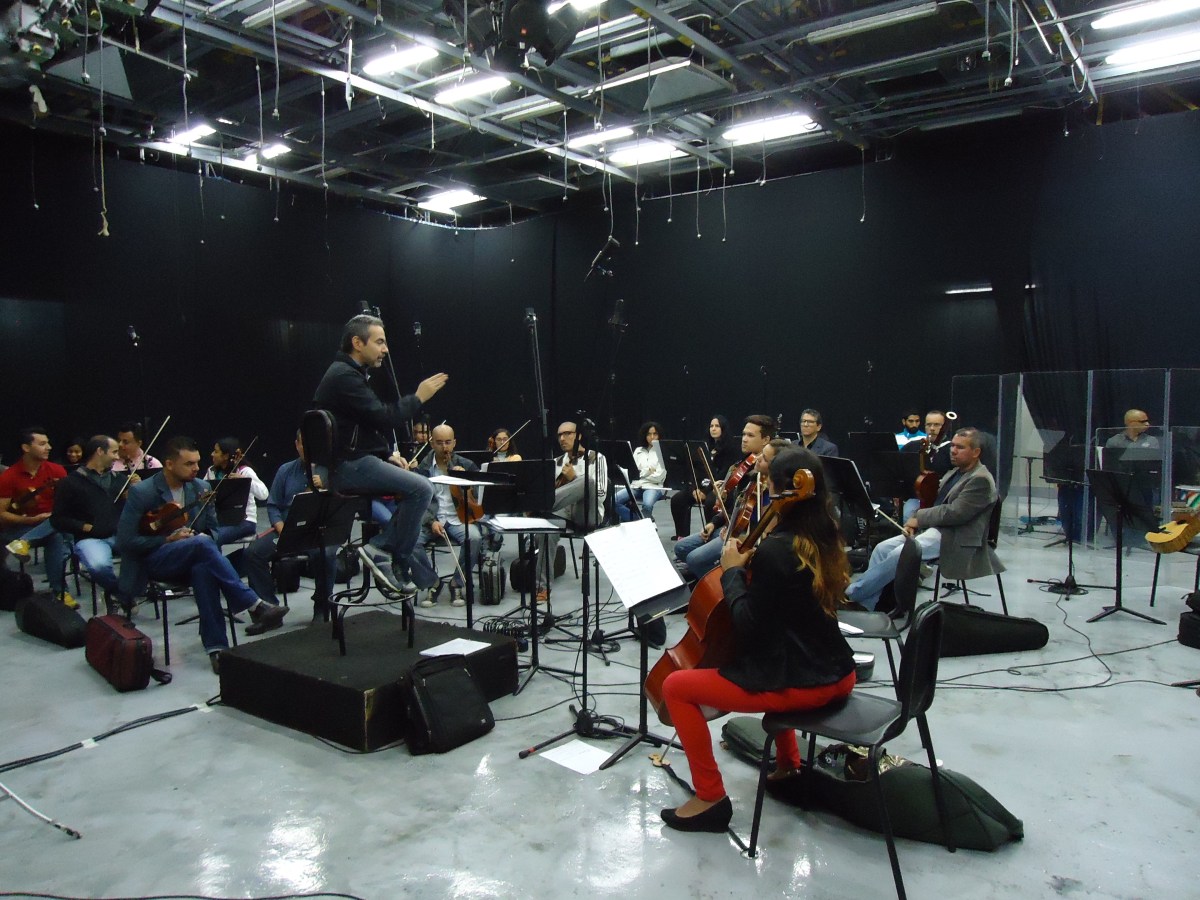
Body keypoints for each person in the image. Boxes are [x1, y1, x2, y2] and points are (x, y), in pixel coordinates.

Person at [659, 447, 856, 833]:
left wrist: (732, 572)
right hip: (839, 671)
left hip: (804, 683)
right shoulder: (825, 536)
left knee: (676, 687)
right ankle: (788, 767)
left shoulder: (776, 551)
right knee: (769, 662)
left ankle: (710, 798)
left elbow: (749, 623)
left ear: (782, 490)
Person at [116, 436, 288, 673]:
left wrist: (197, 537)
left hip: (193, 558)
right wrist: (168, 539)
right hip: (155, 560)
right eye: (189, 464)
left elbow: (214, 531)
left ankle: (217, 649)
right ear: (169, 464)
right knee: (202, 546)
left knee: (203, 568)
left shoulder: (202, 488)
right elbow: (125, 541)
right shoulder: (142, 492)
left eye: (197, 462)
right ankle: (253, 604)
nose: (197, 468)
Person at [312, 314, 448, 594]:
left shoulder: (348, 374)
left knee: (415, 488)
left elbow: (362, 426)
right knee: (422, 489)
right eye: (380, 342)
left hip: (350, 461)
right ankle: (385, 551)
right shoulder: (344, 377)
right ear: (357, 343)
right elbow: (385, 417)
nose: (385, 349)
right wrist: (419, 397)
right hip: (346, 467)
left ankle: (392, 557)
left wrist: (386, 455)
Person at [846, 427, 1002, 610]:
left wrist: (918, 519)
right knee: (882, 548)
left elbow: (955, 513)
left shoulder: (980, 479)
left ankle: (852, 594)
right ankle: (868, 605)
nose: (953, 450)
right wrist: (915, 520)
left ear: (976, 452)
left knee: (901, 554)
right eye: (952, 445)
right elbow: (933, 503)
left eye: (960, 447)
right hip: (938, 530)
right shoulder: (955, 472)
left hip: (957, 536)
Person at [241, 431, 339, 623]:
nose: (308, 449)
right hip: (287, 529)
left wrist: (326, 488)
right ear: (297, 445)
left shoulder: (331, 470)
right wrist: (281, 528)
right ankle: (269, 610)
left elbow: (339, 503)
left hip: (317, 530)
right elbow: (273, 505)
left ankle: (322, 606)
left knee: (326, 554)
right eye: (303, 444)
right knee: (253, 553)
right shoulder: (285, 470)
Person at [674, 415, 775, 580]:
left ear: (766, 440)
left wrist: (734, 533)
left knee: (693, 559)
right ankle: (712, 570)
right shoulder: (743, 465)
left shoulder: (767, 475)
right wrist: (714, 523)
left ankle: (722, 582)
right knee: (680, 547)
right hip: (728, 527)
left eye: (750, 435)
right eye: (743, 434)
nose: (744, 439)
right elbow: (734, 506)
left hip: (741, 535)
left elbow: (760, 524)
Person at [410, 424, 490, 608]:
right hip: (432, 519)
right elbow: (417, 501)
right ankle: (432, 582)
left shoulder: (466, 464)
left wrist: (466, 481)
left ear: (454, 443)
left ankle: (457, 583)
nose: (444, 447)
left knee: (475, 538)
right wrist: (431, 521)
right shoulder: (422, 468)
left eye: (448, 442)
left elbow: (480, 497)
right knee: (411, 542)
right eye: (439, 443)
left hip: (458, 518)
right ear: (432, 443)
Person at [50, 435, 132, 614]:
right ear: (100, 451)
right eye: (114, 452)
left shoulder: (121, 480)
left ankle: (124, 592)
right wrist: (86, 527)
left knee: (147, 551)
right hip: (90, 538)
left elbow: (133, 510)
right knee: (99, 566)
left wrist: (136, 493)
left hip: (120, 534)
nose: (117, 457)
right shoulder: (70, 482)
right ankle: (119, 593)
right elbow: (58, 519)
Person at [535, 420, 609, 602]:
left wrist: (575, 478)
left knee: (588, 482)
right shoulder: (557, 462)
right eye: (560, 435)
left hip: (587, 513)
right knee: (545, 530)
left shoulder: (597, 458)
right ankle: (542, 586)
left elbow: (601, 494)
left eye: (567, 433)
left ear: (579, 436)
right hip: (563, 511)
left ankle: (540, 506)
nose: (562, 438)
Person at [0, 426, 72, 607]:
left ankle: (23, 544)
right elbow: (1, 514)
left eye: (48, 443)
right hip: (20, 527)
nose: (49, 447)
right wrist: (30, 520)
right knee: (55, 531)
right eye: (42, 444)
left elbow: (67, 505)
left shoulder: (57, 471)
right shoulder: (9, 476)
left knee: (55, 532)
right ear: (26, 448)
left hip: (52, 523)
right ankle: (60, 592)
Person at [670, 415, 740, 540]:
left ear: (723, 428)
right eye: (711, 426)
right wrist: (695, 488)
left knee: (710, 501)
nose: (713, 428)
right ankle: (682, 535)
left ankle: (709, 534)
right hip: (701, 485)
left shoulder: (731, 448)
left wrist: (706, 491)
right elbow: (695, 470)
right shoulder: (703, 446)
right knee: (677, 499)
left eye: (717, 426)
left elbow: (723, 473)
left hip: (719, 486)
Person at [203, 436, 269, 547]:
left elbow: (264, 494)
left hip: (244, 521)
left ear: (226, 456)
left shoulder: (244, 471)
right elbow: (203, 490)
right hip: (219, 519)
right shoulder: (211, 471)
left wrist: (245, 481)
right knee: (202, 535)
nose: (212, 454)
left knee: (214, 537)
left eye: (216, 451)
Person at [900, 410, 952, 519]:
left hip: (944, 498)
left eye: (937, 425)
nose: (932, 428)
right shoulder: (912, 446)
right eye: (928, 424)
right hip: (917, 497)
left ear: (944, 427)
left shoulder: (952, 449)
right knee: (908, 514)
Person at [614, 421, 667, 522]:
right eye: (649, 434)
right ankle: (639, 521)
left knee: (647, 505)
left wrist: (642, 473)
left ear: (659, 435)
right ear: (645, 435)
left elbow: (660, 476)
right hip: (636, 486)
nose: (652, 437)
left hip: (653, 487)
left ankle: (641, 521)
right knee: (614, 501)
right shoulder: (638, 450)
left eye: (655, 434)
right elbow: (633, 472)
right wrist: (649, 470)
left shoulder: (662, 451)